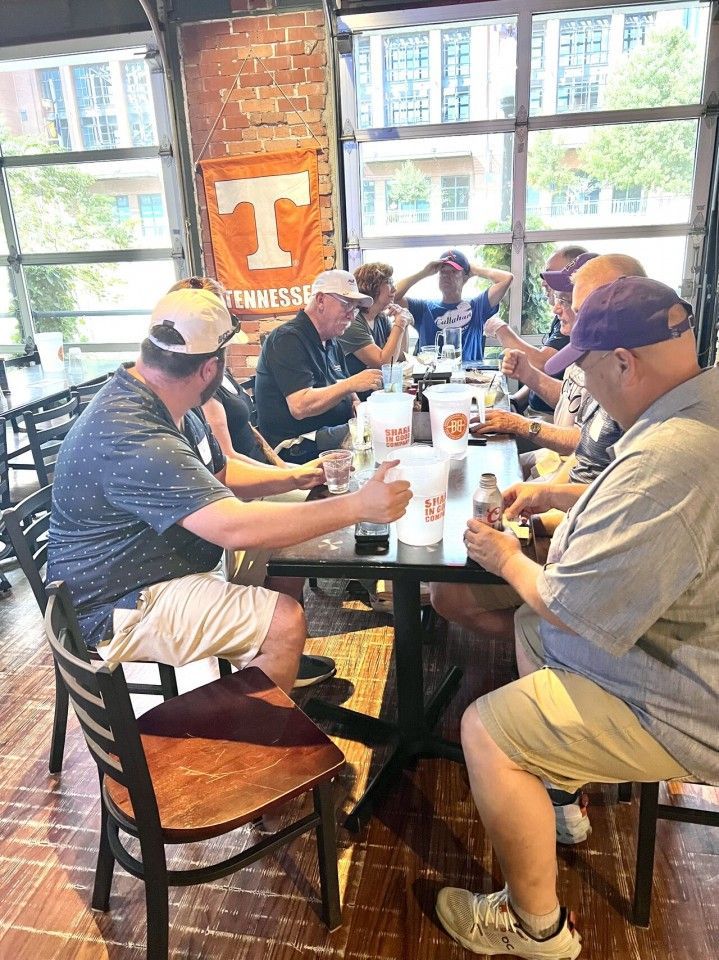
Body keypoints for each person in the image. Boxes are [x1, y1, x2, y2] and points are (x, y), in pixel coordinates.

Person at [435, 277, 718, 960]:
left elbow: (572, 604)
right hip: (680, 640)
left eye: (587, 368)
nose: (583, 383)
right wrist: (558, 491)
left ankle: (534, 927)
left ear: (623, 362)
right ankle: (558, 788)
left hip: (687, 694)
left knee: (486, 729)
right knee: (534, 632)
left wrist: (503, 557)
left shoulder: (671, 455)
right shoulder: (696, 405)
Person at [46, 287, 411, 696]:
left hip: (161, 558)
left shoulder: (167, 398)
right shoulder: (134, 435)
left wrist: (297, 477)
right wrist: (359, 506)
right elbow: (232, 528)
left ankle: (264, 661)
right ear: (209, 369)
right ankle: (248, 742)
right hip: (118, 602)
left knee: (287, 532)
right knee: (284, 621)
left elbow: (221, 471)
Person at [430, 254, 642, 636]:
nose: (557, 305)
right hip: (566, 503)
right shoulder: (598, 365)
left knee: (446, 592)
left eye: (570, 299)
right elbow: (582, 438)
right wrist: (545, 493)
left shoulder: (627, 392)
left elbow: (603, 487)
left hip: (573, 542)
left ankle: (542, 642)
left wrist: (532, 525)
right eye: (558, 296)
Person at [255, 270, 383, 462]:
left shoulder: (332, 341)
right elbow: (299, 406)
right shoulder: (288, 339)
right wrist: (352, 384)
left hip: (328, 431)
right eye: (346, 304)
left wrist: (357, 405)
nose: (351, 315)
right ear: (321, 300)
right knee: (379, 432)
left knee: (382, 425)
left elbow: (348, 389)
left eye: (355, 309)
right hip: (296, 445)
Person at [484, 245, 588, 420]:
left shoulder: (576, 327)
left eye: (566, 300)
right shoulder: (566, 324)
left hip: (547, 418)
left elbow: (541, 363)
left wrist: (500, 329)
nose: (557, 308)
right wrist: (516, 401)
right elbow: (558, 384)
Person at [394, 249, 513, 363]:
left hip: (469, 377)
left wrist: (475, 270)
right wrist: (423, 273)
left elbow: (506, 278)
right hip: (431, 378)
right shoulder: (424, 308)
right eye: (442, 271)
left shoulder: (477, 306)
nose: (446, 275)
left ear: (465, 277)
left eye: (454, 271)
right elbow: (393, 296)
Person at [337, 262, 412, 387]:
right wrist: (400, 324)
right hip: (359, 396)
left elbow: (400, 356)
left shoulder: (381, 318)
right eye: (389, 283)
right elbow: (382, 363)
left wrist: (404, 324)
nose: (394, 289)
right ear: (373, 287)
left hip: (378, 389)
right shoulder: (353, 322)